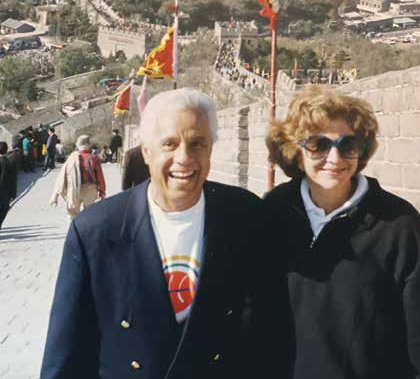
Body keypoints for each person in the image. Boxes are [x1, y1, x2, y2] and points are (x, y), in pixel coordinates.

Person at [41, 88, 285, 379]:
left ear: (210, 149)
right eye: (169, 144)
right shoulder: (96, 229)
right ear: (146, 151)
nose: (184, 158)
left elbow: (270, 332)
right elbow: (68, 348)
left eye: (197, 144)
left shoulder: (247, 216)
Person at [264, 85, 420, 379]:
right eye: (318, 144)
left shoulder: (399, 224)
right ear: (296, 151)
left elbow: (418, 337)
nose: (335, 158)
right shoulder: (273, 212)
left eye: (348, 145)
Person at [50, 135, 106, 220]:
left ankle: (74, 231)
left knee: (72, 215)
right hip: (90, 189)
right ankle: (87, 231)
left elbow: (62, 176)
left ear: (78, 145)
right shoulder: (93, 158)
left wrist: (56, 194)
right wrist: (102, 192)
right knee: (90, 215)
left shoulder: (71, 159)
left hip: (74, 189)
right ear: (88, 145)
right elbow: (100, 178)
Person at [0, 142, 17, 229]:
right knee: (4, 209)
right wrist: (13, 194)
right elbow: (13, 180)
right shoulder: (10, 162)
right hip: (6, 192)